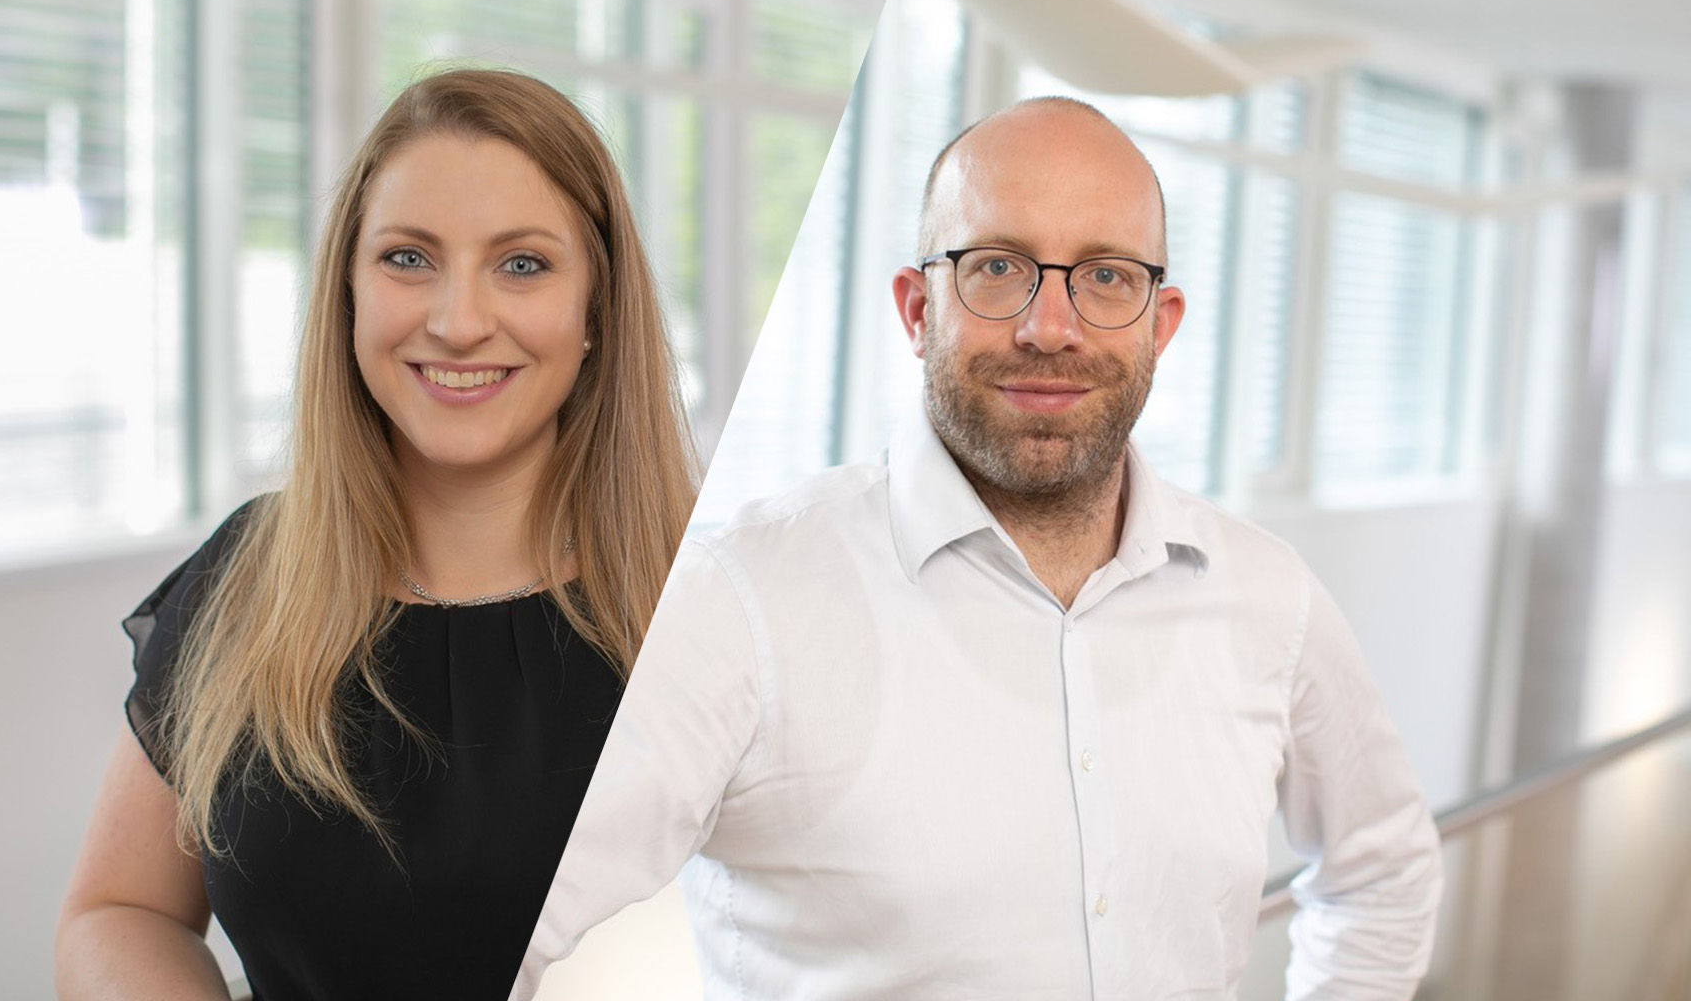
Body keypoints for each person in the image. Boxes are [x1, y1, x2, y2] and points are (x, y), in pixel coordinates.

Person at [517, 98, 1442, 1000]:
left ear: (1160, 326)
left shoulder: (1270, 598)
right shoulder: (740, 597)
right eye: (997, 267)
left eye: (1107, 276)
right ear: (917, 309)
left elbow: (1383, 873)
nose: (1051, 328)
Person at [55, 68, 697, 1000]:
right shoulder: (250, 574)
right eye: (408, 258)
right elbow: (122, 910)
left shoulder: (708, 603)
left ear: (596, 308)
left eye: (522, 264)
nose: (458, 323)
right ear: (349, 293)